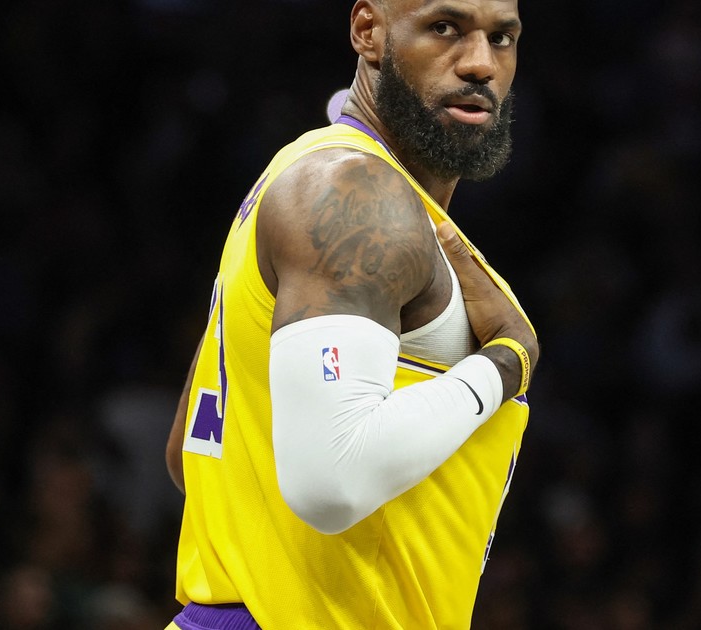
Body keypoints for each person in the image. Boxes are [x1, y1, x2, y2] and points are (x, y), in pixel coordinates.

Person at [164, 0, 538, 627]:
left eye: (501, 38)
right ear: (368, 31)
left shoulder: (317, 176)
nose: (480, 63)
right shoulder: (355, 196)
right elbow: (331, 485)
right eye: (444, 28)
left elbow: (189, 455)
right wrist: (506, 362)